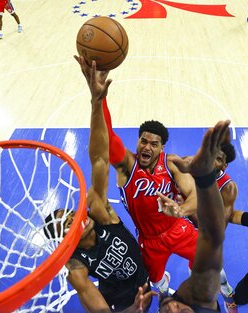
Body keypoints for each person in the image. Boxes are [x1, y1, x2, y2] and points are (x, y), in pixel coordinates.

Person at [74, 56, 236, 312]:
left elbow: (193, 194)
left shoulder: (170, 164)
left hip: (177, 229)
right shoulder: (127, 166)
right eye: (143, 141)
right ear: (138, 142)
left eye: (154, 143)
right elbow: (107, 138)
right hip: (148, 240)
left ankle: (227, 291)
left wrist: (181, 210)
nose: (147, 147)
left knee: (210, 262)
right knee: (157, 282)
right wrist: (99, 98)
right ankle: (164, 291)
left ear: (162, 147)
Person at [43, 58, 156, 312]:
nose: (75, 217)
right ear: (64, 240)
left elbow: (100, 158)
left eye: (71, 213)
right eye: (67, 223)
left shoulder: (98, 211)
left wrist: (96, 102)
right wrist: (134, 309)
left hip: (143, 274)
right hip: (124, 302)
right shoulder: (75, 266)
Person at [155, 119, 233, 313]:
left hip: (203, 232)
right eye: (211, 155)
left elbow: (218, 229)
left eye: (219, 158)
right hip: (189, 229)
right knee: (201, 278)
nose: (214, 161)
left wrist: (187, 211)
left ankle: (228, 293)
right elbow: (169, 162)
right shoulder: (192, 163)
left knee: (217, 277)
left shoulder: (228, 188)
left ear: (225, 165)